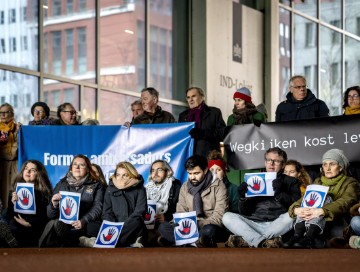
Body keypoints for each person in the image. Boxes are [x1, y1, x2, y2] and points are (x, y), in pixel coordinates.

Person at [222, 147, 301, 248]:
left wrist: (280, 194)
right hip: (253, 223)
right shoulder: (255, 179)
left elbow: (295, 205)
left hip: (277, 224)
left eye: (276, 161)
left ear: (283, 165)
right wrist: (242, 197)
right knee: (227, 217)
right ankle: (264, 241)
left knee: (294, 214)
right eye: (268, 160)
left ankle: (249, 240)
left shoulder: (291, 181)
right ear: (265, 163)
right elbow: (244, 212)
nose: (271, 163)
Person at [286, 149, 359, 249]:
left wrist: (322, 211)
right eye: (325, 164)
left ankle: (309, 237)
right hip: (314, 222)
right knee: (306, 204)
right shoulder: (318, 181)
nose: (328, 168)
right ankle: (300, 236)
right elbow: (305, 198)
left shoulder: (351, 183)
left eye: (332, 164)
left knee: (327, 197)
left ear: (341, 167)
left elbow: (344, 202)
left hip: (338, 222)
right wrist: (296, 208)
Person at [157, 155, 229, 247]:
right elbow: (181, 211)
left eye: (196, 173)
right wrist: (179, 224)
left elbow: (219, 217)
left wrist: (195, 224)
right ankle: (195, 243)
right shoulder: (185, 187)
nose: (192, 177)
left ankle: (178, 242)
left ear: (206, 170)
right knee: (163, 227)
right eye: (190, 173)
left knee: (210, 230)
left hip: (207, 225)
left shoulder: (219, 186)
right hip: (187, 227)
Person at [40, 154, 104, 247]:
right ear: (71, 168)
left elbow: (97, 207)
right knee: (56, 223)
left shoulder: (96, 185)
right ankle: (59, 237)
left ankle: (56, 240)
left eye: (82, 165)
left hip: (85, 223)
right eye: (75, 164)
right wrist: (54, 205)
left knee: (83, 231)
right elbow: (50, 214)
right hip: (64, 223)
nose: (77, 167)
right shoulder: (62, 184)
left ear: (87, 169)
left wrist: (84, 220)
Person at [80, 161, 147, 248]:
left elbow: (139, 212)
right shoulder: (109, 189)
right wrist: (113, 226)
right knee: (91, 226)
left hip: (130, 225)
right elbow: (106, 212)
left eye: (125, 175)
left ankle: (100, 242)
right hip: (113, 226)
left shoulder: (141, 189)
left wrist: (123, 226)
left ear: (131, 175)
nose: (120, 178)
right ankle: (127, 242)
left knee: (137, 223)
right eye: (118, 175)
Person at [0, 160, 53, 247]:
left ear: (39, 174)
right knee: (10, 223)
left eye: (32, 170)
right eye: (26, 168)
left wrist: (29, 223)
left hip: (33, 227)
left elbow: (45, 216)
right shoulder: (15, 189)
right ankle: (12, 241)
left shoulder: (44, 193)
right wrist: (13, 204)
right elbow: (9, 215)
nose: (28, 171)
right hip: (16, 225)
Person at [178, 87, 226, 157]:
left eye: (193, 96)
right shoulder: (183, 115)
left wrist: (203, 133)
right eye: (188, 97)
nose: (190, 100)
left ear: (202, 97)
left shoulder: (214, 112)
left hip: (209, 157)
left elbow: (222, 133)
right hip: (189, 156)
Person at [145, 160, 181, 245]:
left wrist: (167, 217)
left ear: (168, 172)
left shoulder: (175, 185)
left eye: (159, 170)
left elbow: (181, 208)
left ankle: (165, 239)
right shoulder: (147, 188)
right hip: (149, 223)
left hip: (167, 222)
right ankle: (162, 239)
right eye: (153, 170)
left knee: (163, 227)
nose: (155, 173)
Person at [0, 103, 21, 207]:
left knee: (14, 189)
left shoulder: (17, 128)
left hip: (14, 163)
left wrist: (18, 132)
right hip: (2, 164)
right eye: (1, 112)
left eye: (6, 112)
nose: (3, 115)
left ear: (12, 114)